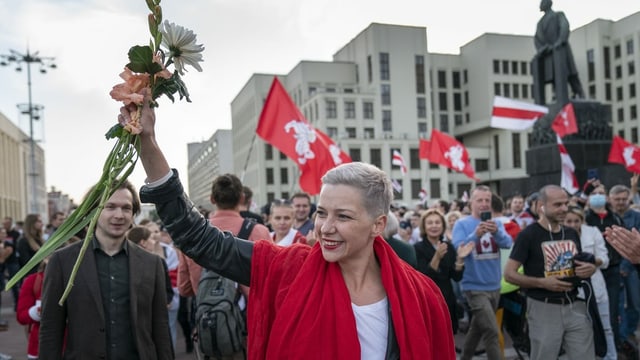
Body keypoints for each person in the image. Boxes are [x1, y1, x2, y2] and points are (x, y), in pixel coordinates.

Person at [129, 94, 455, 359]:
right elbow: (200, 239)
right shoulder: (288, 268)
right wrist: (149, 145)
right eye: (322, 213)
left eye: (342, 216)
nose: (326, 227)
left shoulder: (422, 296)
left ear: (377, 224)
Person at [39, 180, 173, 360]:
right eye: (110, 206)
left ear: (133, 214)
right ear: (93, 211)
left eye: (126, 208)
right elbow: (50, 328)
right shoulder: (62, 262)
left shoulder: (152, 264)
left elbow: (161, 327)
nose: (119, 215)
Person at [504, 185, 596, 360]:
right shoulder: (528, 235)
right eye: (557, 204)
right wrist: (542, 282)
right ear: (541, 206)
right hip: (543, 307)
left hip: (575, 305)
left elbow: (577, 265)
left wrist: (589, 269)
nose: (564, 209)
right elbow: (509, 274)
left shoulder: (571, 232)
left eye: (566, 204)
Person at [451, 185, 513, 360]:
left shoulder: (497, 222)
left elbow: (507, 243)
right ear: (471, 202)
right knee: (492, 331)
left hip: (494, 285)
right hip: (474, 286)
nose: (484, 204)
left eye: (487, 200)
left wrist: (496, 232)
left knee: (477, 328)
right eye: (480, 200)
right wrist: (476, 234)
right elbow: (460, 249)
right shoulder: (462, 224)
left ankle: (464, 358)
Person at [564, 206, 616, 360]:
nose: (572, 224)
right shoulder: (559, 235)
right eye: (569, 221)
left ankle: (611, 357)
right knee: (580, 331)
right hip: (573, 291)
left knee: (606, 328)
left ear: (582, 220)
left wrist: (591, 261)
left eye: (576, 221)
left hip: (596, 287)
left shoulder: (592, 232)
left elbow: (605, 259)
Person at [414, 209, 474, 333]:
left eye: (437, 222)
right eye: (430, 223)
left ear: (443, 225)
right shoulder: (417, 248)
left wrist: (460, 259)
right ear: (424, 227)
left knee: (449, 336)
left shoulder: (448, 246)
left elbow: (456, 277)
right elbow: (425, 278)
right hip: (428, 300)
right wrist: (437, 257)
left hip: (447, 299)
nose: (434, 226)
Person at [584, 181, 626, 350]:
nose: (598, 197)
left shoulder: (614, 217)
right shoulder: (585, 218)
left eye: (601, 193)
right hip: (592, 272)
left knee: (613, 311)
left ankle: (613, 347)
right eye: (594, 194)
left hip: (613, 270)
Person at [531, 0, 585, 106]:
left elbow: (565, 26)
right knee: (555, 76)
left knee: (571, 75)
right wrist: (542, 49)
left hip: (561, 51)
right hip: (549, 55)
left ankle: (579, 93)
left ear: (548, 4)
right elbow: (537, 39)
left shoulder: (558, 15)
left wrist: (560, 41)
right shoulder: (540, 23)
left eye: (542, 3)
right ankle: (557, 95)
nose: (540, 5)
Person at [16, 258, 49, 360]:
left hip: (75, 348)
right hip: (39, 347)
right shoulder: (34, 280)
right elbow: (22, 316)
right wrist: (38, 311)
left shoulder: (80, 279)